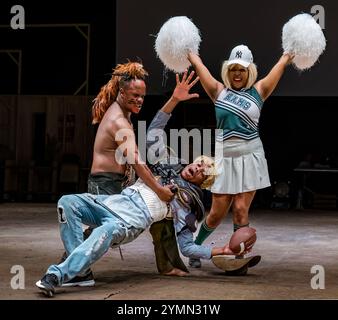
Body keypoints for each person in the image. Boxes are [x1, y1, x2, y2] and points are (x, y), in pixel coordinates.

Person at [35, 72, 243, 297]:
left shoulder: (189, 201)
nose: (199, 168)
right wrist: (174, 99)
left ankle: (57, 275)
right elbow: (154, 132)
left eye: (204, 173)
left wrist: (218, 251)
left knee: (103, 232)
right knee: (67, 202)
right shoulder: (169, 162)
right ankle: (81, 272)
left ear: (204, 182)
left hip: (130, 221)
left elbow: (187, 246)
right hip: (113, 201)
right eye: (201, 163)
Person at [187, 44, 294, 274]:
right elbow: (199, 64)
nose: (237, 73)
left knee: (240, 210)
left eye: (242, 69)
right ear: (228, 69)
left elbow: (282, 63)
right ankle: (194, 248)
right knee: (215, 214)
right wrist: (186, 48)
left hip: (250, 155)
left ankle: (239, 256)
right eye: (233, 68)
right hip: (225, 156)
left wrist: (291, 50)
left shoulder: (260, 90)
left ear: (250, 71)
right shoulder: (218, 90)